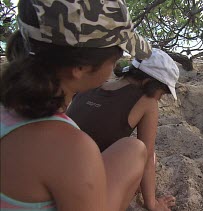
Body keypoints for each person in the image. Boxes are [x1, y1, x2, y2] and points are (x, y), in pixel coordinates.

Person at [0, 0, 170, 210]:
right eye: (116, 58)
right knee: (135, 149)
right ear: (80, 67)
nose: (115, 67)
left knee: (131, 148)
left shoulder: (9, 109)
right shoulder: (74, 149)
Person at [66, 48, 179, 211]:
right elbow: (147, 156)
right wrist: (152, 204)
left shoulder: (92, 86)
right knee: (140, 152)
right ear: (148, 84)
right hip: (88, 190)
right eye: (161, 94)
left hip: (60, 175)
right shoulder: (147, 101)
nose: (159, 99)